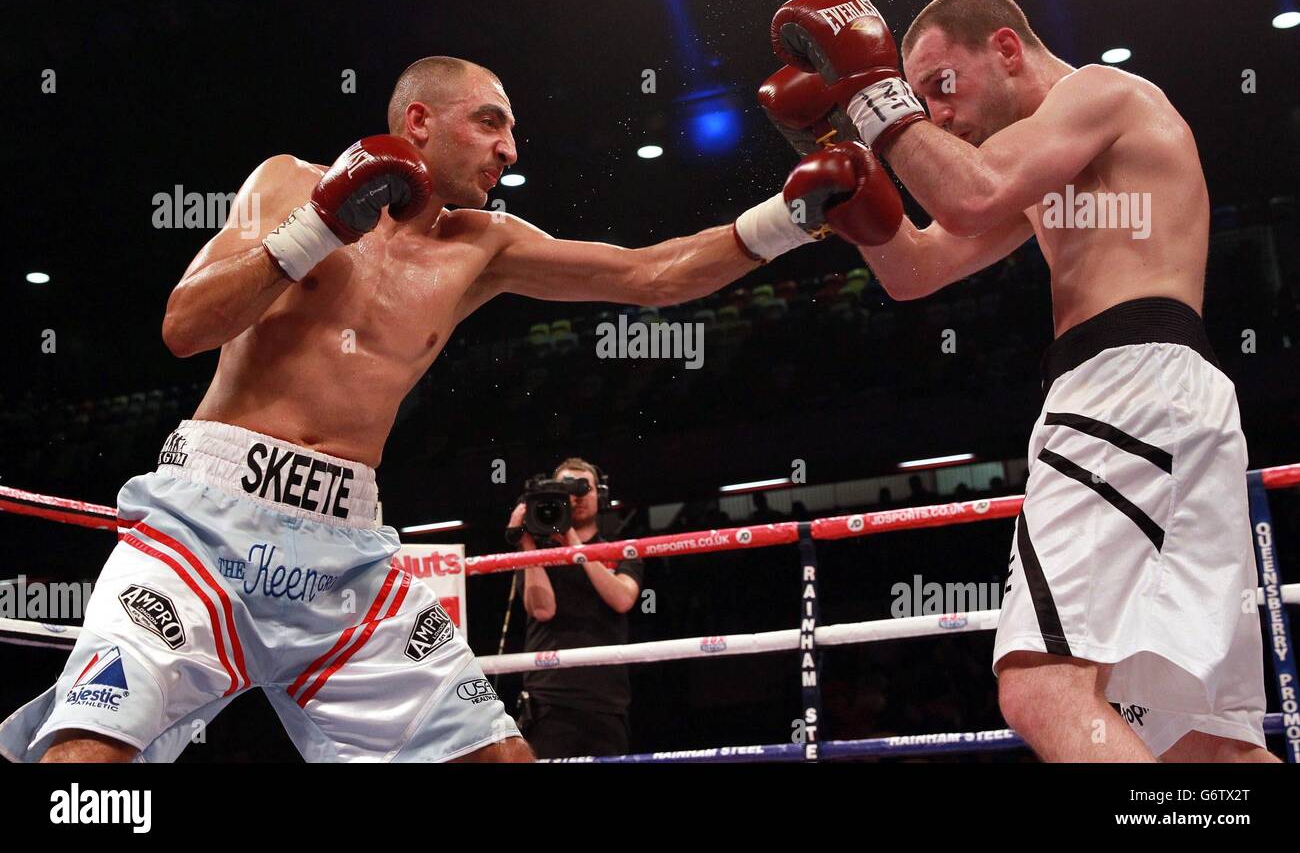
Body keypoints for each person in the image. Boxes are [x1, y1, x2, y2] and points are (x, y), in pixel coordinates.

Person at [0, 55, 872, 764]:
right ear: (418, 122)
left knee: (497, 761)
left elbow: (649, 276)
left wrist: (789, 217)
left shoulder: (484, 246)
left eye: (514, 131)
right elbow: (186, 327)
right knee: (92, 750)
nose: (510, 150)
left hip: (347, 554)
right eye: (491, 122)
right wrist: (320, 228)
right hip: (203, 524)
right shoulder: (290, 182)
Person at [762, 0, 1276, 762]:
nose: (935, 113)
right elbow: (917, 268)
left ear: (1006, 49)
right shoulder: (1048, 168)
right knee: (1201, 744)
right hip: (1167, 406)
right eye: (920, 99)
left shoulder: (1101, 92)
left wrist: (871, 94)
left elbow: (972, 193)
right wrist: (844, 183)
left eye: (940, 85)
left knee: (1042, 689)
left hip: (1124, 390)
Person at [507, 458, 642, 757]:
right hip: (549, 698)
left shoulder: (621, 550)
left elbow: (622, 599)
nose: (578, 495)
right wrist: (526, 546)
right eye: (567, 488)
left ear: (600, 495)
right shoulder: (535, 556)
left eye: (584, 488)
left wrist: (571, 539)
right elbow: (543, 610)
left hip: (606, 701)